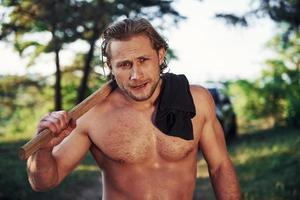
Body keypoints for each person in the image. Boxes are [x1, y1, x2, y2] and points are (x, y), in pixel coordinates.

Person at [27, 18, 241, 200]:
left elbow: (220, 166)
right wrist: (44, 149)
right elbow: (44, 182)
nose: (136, 75)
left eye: (143, 60)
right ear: (110, 67)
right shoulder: (93, 116)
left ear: (160, 55)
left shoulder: (197, 100)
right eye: (124, 65)